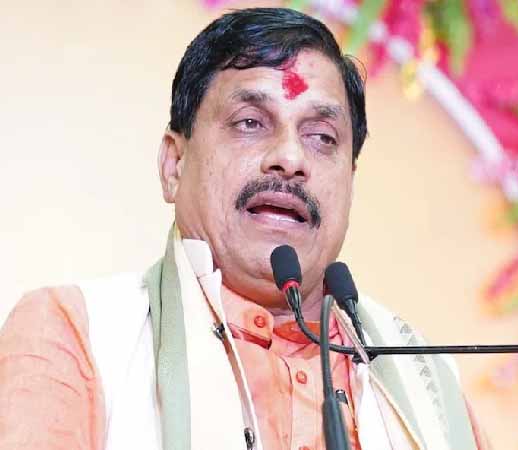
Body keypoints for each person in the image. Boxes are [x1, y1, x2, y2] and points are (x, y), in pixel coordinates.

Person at [0, 8, 489, 450]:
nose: (290, 158)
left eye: (322, 137)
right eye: (250, 122)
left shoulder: (424, 381)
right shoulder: (79, 334)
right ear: (174, 164)